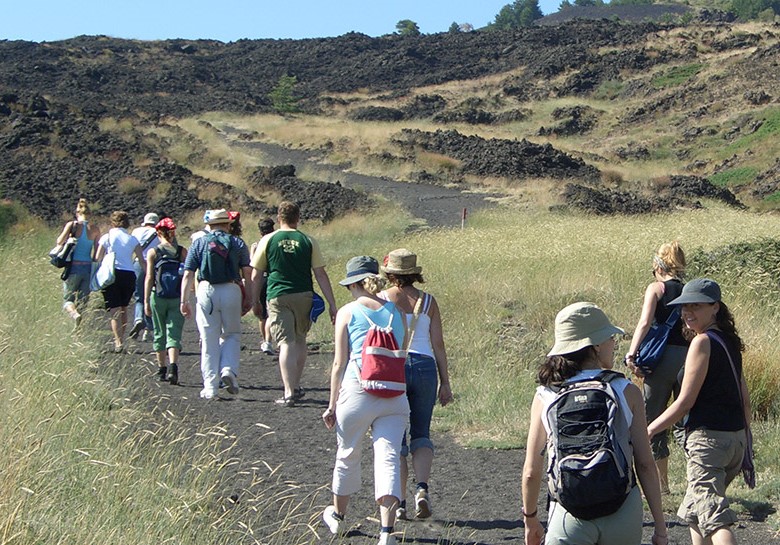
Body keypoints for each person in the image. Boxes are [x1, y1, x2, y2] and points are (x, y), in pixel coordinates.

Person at [522, 302, 667, 545]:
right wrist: (660, 528)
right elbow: (644, 463)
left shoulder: (546, 395)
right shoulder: (626, 390)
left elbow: (530, 472)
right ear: (596, 345)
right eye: (610, 337)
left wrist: (530, 519)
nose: (613, 343)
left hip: (569, 511)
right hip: (622, 509)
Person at [647, 279, 750, 545]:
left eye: (696, 306)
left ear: (715, 307)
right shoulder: (728, 341)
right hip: (734, 441)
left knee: (715, 518)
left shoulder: (702, 343)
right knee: (695, 512)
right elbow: (744, 398)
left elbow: (684, 402)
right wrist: (745, 440)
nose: (687, 312)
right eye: (684, 307)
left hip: (709, 443)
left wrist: (648, 430)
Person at [321, 256, 409, 545]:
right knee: (388, 459)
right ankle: (387, 533)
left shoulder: (347, 312)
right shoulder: (397, 312)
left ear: (355, 284)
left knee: (347, 453)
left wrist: (332, 404)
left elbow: (339, 363)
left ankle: (338, 516)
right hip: (394, 394)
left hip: (357, 391)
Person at [378, 248, 453, 520]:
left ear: (390, 273)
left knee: (395, 436)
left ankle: (399, 501)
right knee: (422, 432)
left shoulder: (381, 299)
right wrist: (445, 382)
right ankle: (422, 488)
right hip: (424, 366)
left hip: (394, 366)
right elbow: (439, 344)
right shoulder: (429, 301)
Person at [249, 201, 337, 407]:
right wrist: (332, 303)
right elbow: (320, 273)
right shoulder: (308, 240)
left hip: (278, 294)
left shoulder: (268, 240)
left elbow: (256, 273)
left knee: (285, 342)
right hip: (304, 294)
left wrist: (253, 300)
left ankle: (288, 391)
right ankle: (296, 385)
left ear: (279, 218)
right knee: (300, 339)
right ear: (298, 218)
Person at [625, 241, 689, 493]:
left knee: (654, 418)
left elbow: (644, 323)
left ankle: (661, 485)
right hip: (688, 357)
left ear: (658, 265)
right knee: (687, 419)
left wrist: (631, 353)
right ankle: (697, 477)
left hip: (660, 361)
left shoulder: (656, 288)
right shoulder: (689, 291)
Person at [180, 209, 252, 400]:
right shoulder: (237, 243)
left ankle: (210, 387)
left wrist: (184, 299)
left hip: (206, 290)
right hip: (231, 289)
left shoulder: (199, 243)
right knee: (232, 334)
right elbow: (247, 272)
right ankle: (228, 369)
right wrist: (250, 297)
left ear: (209, 225)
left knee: (208, 338)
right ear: (228, 225)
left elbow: (188, 273)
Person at [144, 217, 188, 385]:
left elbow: (149, 277)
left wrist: (147, 300)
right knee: (174, 333)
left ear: (158, 233)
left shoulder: (153, 252)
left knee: (159, 332)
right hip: (177, 297)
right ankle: (173, 366)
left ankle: (161, 368)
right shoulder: (182, 252)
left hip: (158, 296)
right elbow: (187, 275)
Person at [94, 211, 144, 353]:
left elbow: (98, 258)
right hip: (129, 274)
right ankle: (123, 338)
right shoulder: (132, 239)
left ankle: (118, 342)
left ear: (112, 222)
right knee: (124, 308)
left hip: (112, 273)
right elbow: (141, 260)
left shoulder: (107, 237)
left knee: (114, 310)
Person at [55, 198, 100, 326]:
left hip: (73, 267)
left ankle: (74, 315)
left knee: (68, 300)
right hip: (87, 268)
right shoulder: (95, 229)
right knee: (82, 301)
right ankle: (78, 330)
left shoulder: (72, 225)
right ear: (89, 213)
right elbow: (97, 253)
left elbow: (59, 241)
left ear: (77, 212)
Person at [129, 212, 161, 341]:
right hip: (154, 264)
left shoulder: (136, 231)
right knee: (152, 295)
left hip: (138, 263)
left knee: (139, 296)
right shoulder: (159, 232)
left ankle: (138, 318)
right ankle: (149, 329)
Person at [249, 218, 276, 355]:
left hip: (260, 279)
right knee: (271, 312)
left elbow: (252, 265)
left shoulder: (256, 245)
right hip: (272, 278)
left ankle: (264, 339)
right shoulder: (275, 243)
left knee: (262, 314)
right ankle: (268, 341)